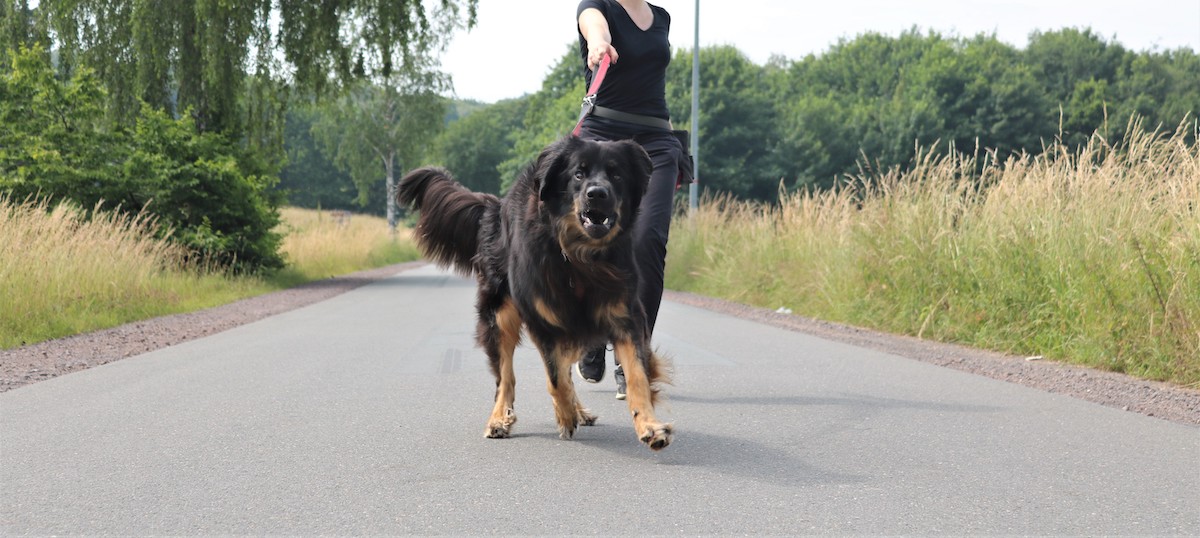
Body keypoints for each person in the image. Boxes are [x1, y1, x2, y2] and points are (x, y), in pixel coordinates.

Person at [572, 0, 691, 399]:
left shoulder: (662, 18)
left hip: (656, 142)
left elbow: (652, 86)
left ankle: (633, 356)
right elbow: (594, 27)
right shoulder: (597, 7)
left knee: (647, 241)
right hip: (602, 137)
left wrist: (680, 149)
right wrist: (598, 44)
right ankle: (592, 333)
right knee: (596, 240)